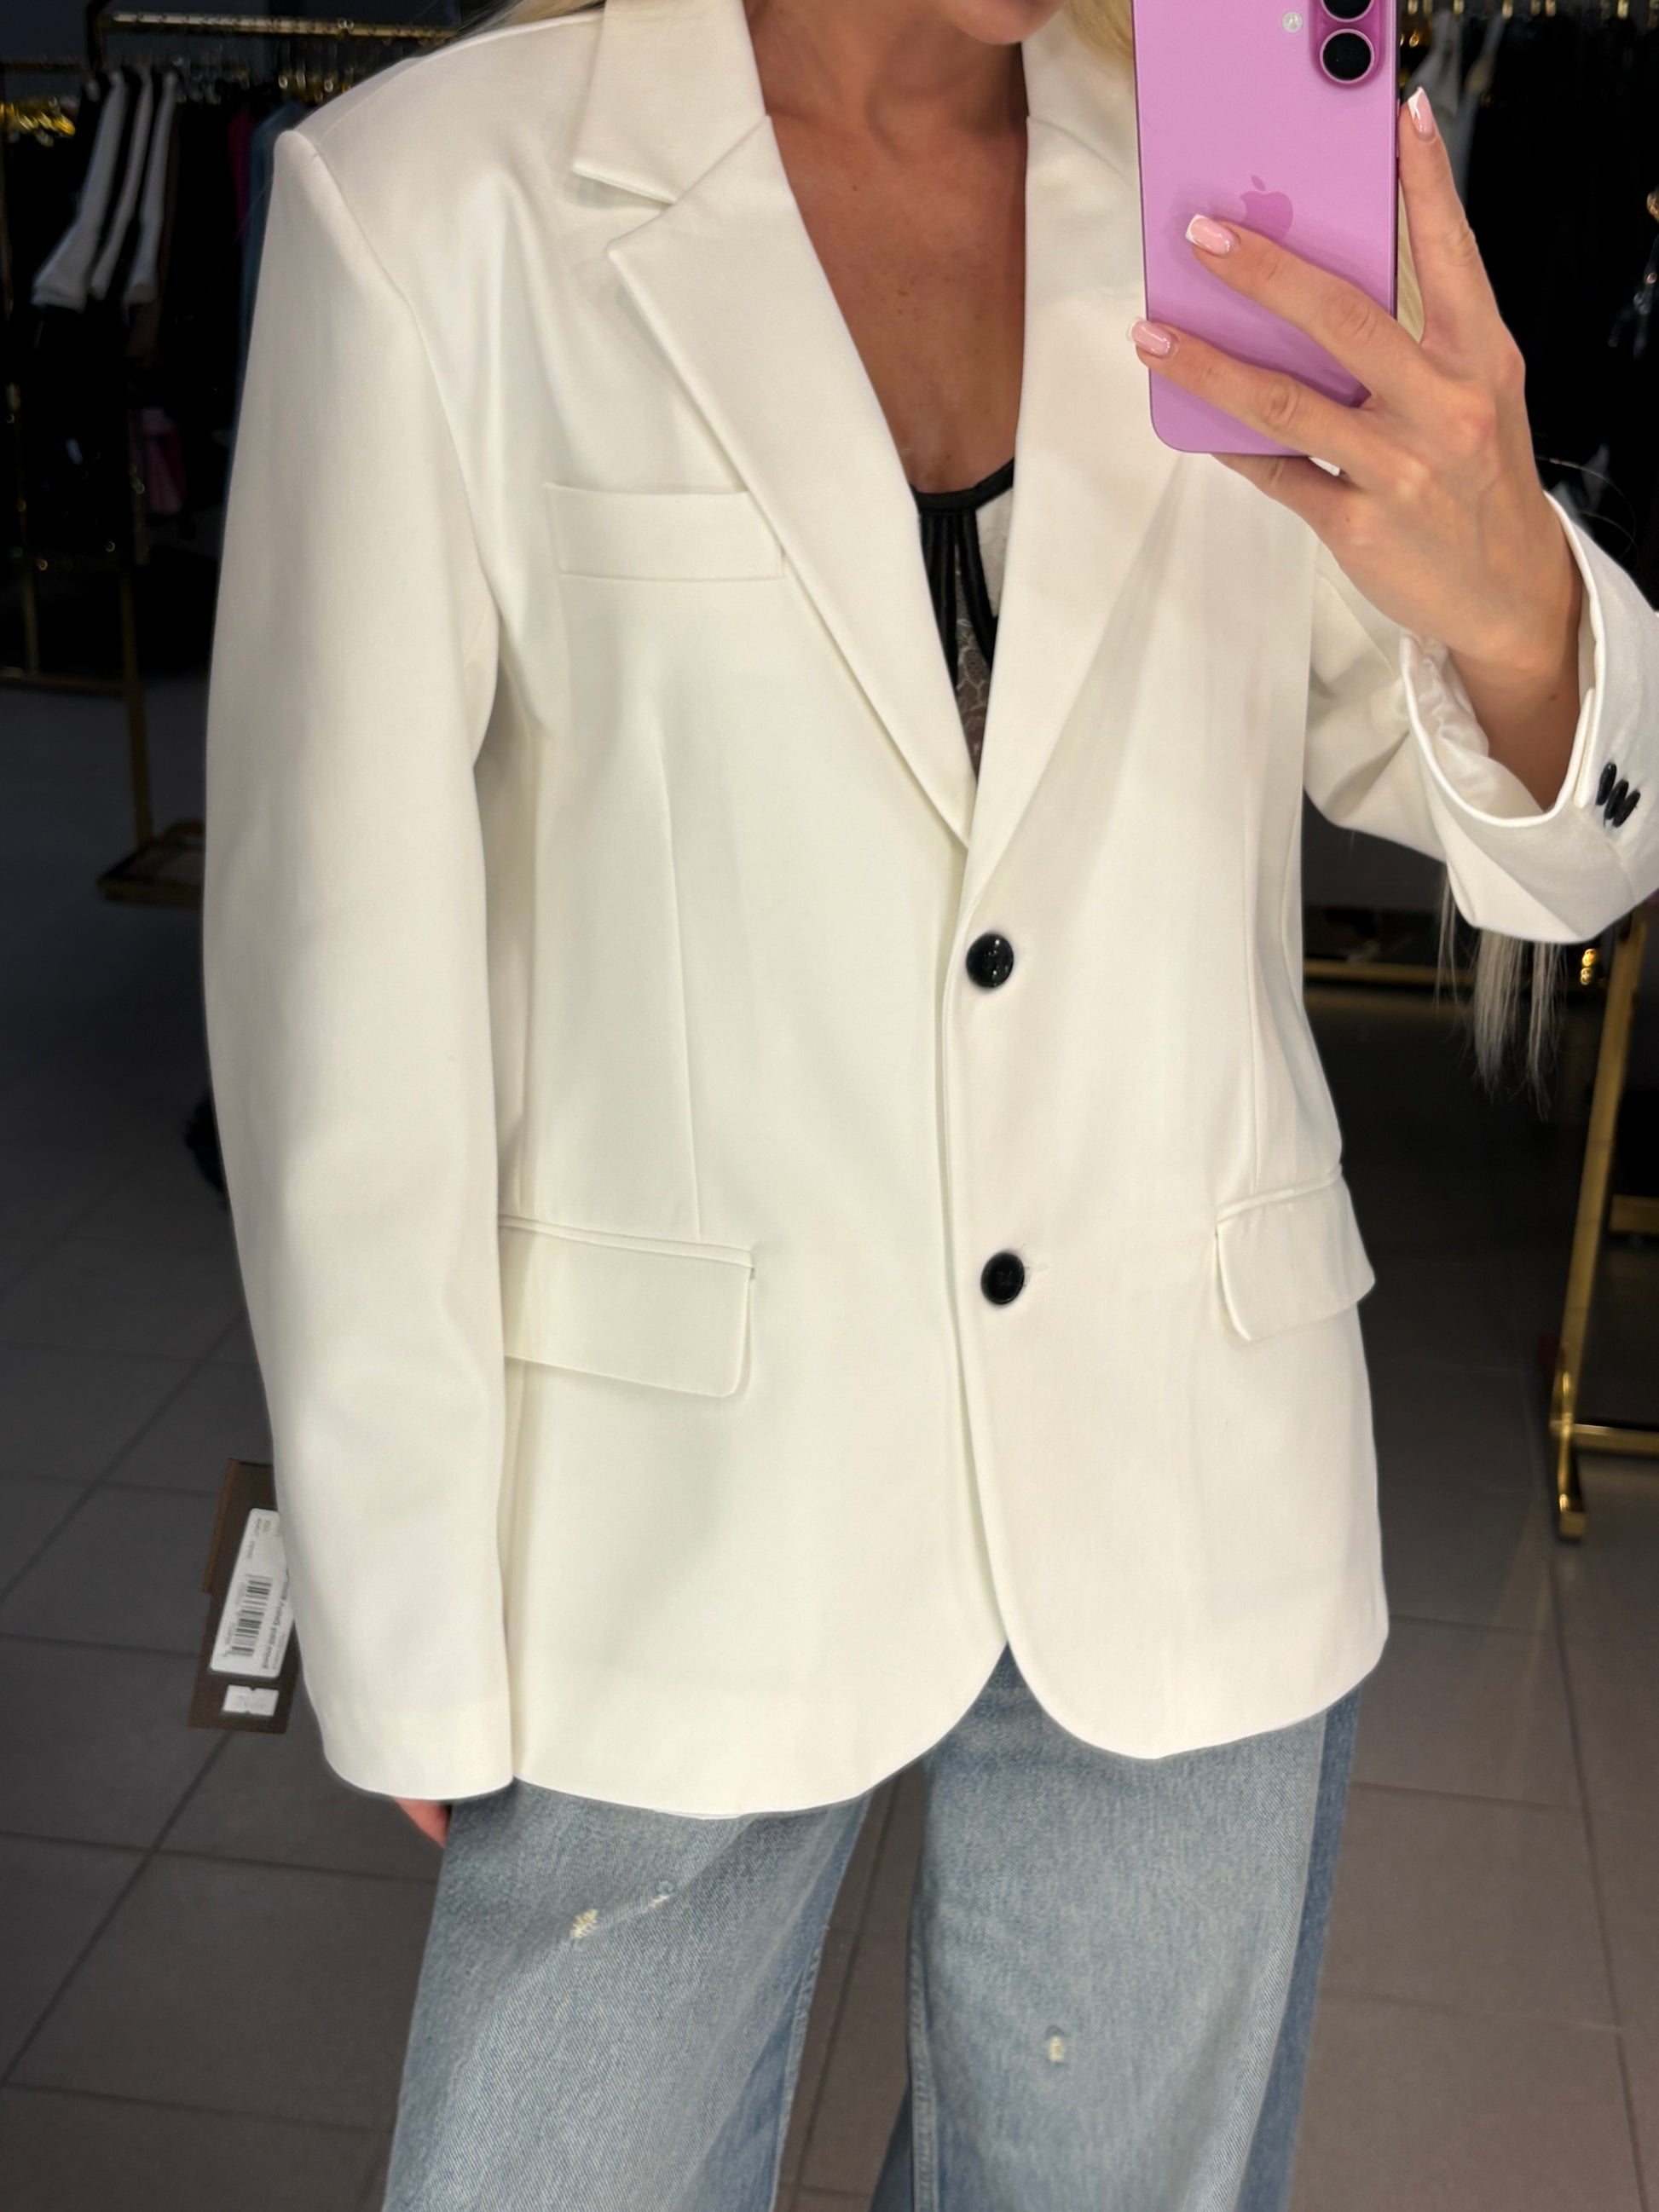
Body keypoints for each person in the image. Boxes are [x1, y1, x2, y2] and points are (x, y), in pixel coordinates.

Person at [199, 0, 1659, 2204]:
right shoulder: (435, 206)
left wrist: (1522, 609)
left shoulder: (1230, 190)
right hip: (665, 1516)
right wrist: (397, 1608)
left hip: (1186, 1486)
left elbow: (1555, 840)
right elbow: (344, 983)